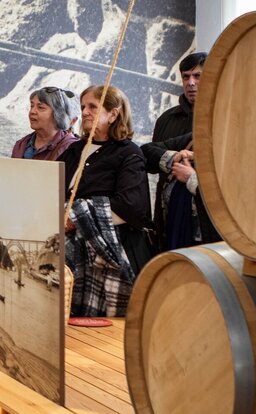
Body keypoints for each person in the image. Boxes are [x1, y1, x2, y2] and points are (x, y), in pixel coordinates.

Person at [61, 85, 151, 318]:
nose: (86, 112)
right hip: (72, 252)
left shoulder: (129, 153)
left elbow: (132, 206)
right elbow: (50, 187)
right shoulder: (74, 150)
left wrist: (77, 217)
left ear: (114, 113)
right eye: (83, 107)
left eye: (93, 106)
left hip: (110, 251)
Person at [143, 52, 207, 250]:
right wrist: (173, 158)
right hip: (169, 213)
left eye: (197, 76)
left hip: (206, 215)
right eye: (186, 77)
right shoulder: (167, 120)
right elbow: (147, 159)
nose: (191, 82)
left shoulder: (222, 118)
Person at [141, 131, 221, 249]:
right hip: (173, 237)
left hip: (210, 248)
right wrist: (174, 158)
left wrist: (192, 179)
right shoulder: (194, 139)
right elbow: (145, 151)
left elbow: (226, 202)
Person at [10, 86, 80, 160]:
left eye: (40, 107)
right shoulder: (21, 145)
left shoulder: (71, 148)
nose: (32, 111)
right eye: (32, 106)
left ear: (59, 115)